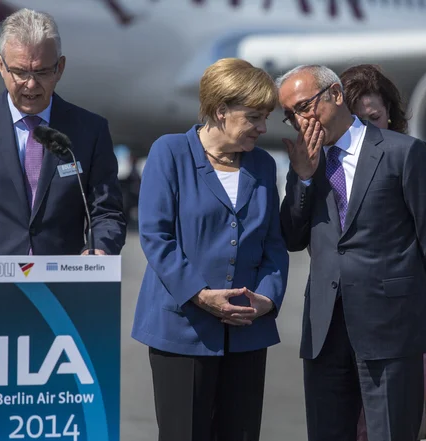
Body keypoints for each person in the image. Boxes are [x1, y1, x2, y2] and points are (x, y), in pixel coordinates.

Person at [277, 64, 426, 441]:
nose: (299, 119)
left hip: (390, 327)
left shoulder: (404, 153)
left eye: (305, 106)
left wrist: (410, 303)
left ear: (336, 95)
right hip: (324, 329)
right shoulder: (308, 163)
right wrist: (304, 178)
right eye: (290, 115)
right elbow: (291, 237)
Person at [132, 58, 289, 441]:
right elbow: (156, 236)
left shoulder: (264, 165)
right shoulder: (169, 152)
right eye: (253, 116)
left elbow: (274, 243)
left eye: (266, 117)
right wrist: (201, 295)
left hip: (248, 332)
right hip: (183, 329)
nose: (262, 128)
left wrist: (267, 299)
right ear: (220, 111)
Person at [0, 8, 126, 291]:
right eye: (20, 72)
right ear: (1, 65)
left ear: (60, 68)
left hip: (65, 291)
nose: (30, 84)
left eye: (42, 72)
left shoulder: (90, 130)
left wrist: (99, 249)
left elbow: (106, 212)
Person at [339, 63, 426, 333]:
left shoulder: (414, 155)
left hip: (399, 311)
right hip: (337, 313)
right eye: (355, 121)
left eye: (373, 118)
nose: (364, 131)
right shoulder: (328, 162)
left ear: (389, 115)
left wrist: (415, 294)